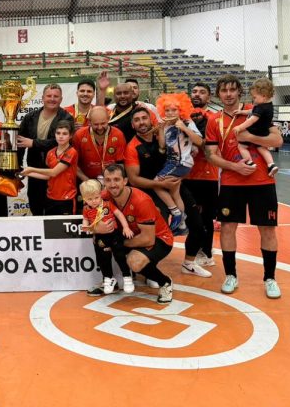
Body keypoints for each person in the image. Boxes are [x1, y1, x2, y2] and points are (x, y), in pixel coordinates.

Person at [205, 75, 283, 299]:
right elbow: (210, 155)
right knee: (228, 228)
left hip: (262, 181)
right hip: (232, 182)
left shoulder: (255, 109)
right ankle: (231, 275)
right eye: (223, 90)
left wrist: (250, 137)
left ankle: (270, 278)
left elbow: (277, 141)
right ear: (218, 94)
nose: (228, 94)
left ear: (240, 92)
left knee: (267, 229)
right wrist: (234, 167)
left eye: (232, 90)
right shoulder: (214, 120)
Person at [124, 107, 210, 279]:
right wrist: (159, 183)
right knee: (156, 232)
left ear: (151, 120)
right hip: (149, 191)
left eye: (144, 118)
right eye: (137, 120)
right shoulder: (132, 147)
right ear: (133, 125)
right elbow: (133, 180)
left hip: (173, 184)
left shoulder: (166, 134)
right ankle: (150, 271)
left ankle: (189, 263)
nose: (142, 122)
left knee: (198, 225)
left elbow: (195, 146)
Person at [98, 164, 175, 304]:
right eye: (108, 180)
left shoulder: (141, 200)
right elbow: (88, 214)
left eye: (116, 179)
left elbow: (148, 239)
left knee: (134, 262)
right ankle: (108, 280)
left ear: (125, 181)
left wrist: (118, 245)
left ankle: (165, 282)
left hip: (159, 238)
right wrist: (98, 228)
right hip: (131, 235)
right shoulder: (104, 196)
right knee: (99, 240)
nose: (112, 184)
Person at [17, 83, 74, 216]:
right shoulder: (30, 117)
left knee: (54, 210)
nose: (52, 99)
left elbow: (60, 142)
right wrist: (17, 167)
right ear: (42, 98)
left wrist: (34, 143)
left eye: (56, 96)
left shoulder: (66, 118)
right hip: (35, 170)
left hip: (58, 171)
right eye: (49, 96)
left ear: (61, 99)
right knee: (35, 207)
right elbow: (20, 143)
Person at [153, 93, 203, 233]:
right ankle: (181, 225)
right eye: (167, 110)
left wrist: (184, 128)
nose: (170, 113)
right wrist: (161, 129)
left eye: (174, 110)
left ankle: (176, 212)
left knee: (156, 183)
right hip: (171, 162)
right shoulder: (167, 125)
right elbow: (162, 146)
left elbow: (200, 142)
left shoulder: (187, 122)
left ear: (181, 110)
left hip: (181, 162)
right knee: (175, 193)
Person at [183, 83, 220, 267]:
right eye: (195, 92)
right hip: (187, 175)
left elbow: (209, 147)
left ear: (209, 97)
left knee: (206, 218)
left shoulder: (213, 119)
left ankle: (206, 252)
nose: (197, 95)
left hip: (207, 176)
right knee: (192, 218)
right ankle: (194, 250)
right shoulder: (183, 117)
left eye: (202, 92)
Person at [79, 179, 134, 295]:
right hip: (100, 237)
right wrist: (86, 227)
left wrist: (126, 227)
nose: (94, 201)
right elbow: (85, 220)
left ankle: (127, 276)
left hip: (114, 235)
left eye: (96, 197)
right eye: (89, 199)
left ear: (100, 194)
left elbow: (119, 214)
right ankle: (108, 279)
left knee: (120, 255)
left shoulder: (108, 204)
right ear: (84, 199)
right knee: (103, 259)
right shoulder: (86, 209)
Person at [21, 120, 78, 215]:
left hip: (66, 198)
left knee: (63, 229)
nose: (60, 136)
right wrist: (27, 173)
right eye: (58, 133)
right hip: (50, 198)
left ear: (70, 136)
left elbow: (53, 172)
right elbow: (48, 176)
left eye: (64, 134)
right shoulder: (50, 152)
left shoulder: (72, 152)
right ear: (54, 134)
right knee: (49, 229)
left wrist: (31, 169)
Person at [233, 78, 278, 177]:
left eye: (254, 97)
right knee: (262, 148)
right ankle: (271, 164)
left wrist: (240, 127)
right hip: (264, 131)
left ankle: (250, 162)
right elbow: (252, 111)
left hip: (254, 130)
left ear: (264, 96)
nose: (253, 100)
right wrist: (242, 112)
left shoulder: (260, 107)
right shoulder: (268, 105)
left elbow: (252, 119)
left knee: (242, 146)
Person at [72, 106, 126, 184]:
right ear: (89, 122)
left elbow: (121, 163)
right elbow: (74, 164)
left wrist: (112, 181)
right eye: (96, 124)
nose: (100, 127)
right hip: (86, 181)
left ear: (108, 119)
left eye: (103, 123)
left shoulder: (118, 135)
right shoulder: (79, 135)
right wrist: (88, 181)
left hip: (111, 181)